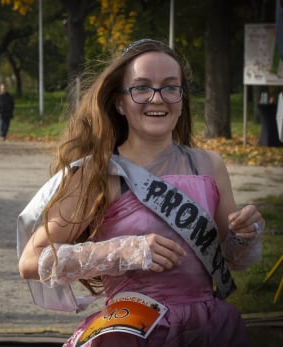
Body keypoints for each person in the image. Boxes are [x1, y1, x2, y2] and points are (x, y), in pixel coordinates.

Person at [17, 39, 264, 347]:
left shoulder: (209, 165)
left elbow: (232, 259)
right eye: (142, 87)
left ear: (182, 98)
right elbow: (31, 261)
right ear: (119, 102)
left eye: (170, 87)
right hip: (132, 328)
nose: (157, 99)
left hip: (210, 327)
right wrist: (125, 251)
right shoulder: (98, 172)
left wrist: (245, 235)